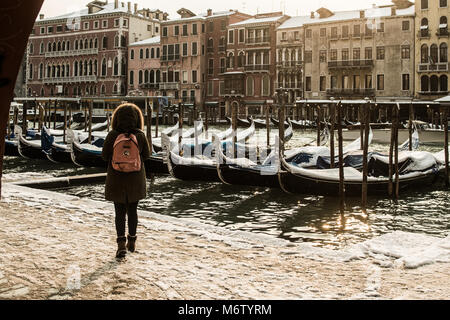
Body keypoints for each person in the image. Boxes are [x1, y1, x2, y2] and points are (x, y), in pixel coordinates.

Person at [102, 103, 151, 258]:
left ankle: (121, 245)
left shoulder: (112, 135)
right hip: (135, 179)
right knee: (133, 211)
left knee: (119, 213)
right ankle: (132, 240)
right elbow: (147, 155)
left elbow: (104, 156)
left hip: (116, 178)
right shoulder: (140, 135)